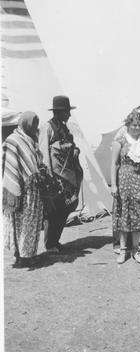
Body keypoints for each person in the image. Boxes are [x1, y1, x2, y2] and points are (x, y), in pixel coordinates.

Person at [39, 95, 83, 253]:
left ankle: (55, 240)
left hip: (67, 178)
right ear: (59, 112)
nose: (69, 115)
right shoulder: (47, 127)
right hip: (54, 178)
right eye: (67, 111)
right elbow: (44, 153)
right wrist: (48, 178)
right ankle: (50, 244)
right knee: (53, 210)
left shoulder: (64, 128)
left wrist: (75, 150)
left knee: (66, 207)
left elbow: (72, 145)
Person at [111, 110, 140, 264]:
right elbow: (114, 164)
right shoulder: (120, 141)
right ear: (128, 125)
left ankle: (136, 250)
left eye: (139, 124)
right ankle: (123, 251)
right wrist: (114, 185)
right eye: (134, 124)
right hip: (123, 183)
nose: (137, 127)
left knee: (137, 217)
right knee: (124, 216)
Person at [2, 111, 44, 267]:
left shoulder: (31, 139)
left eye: (36, 124)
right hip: (20, 188)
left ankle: (29, 254)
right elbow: (8, 163)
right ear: (25, 122)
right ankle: (21, 256)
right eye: (33, 123)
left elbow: (37, 160)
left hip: (33, 190)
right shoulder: (13, 141)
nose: (34, 127)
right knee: (20, 223)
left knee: (31, 223)